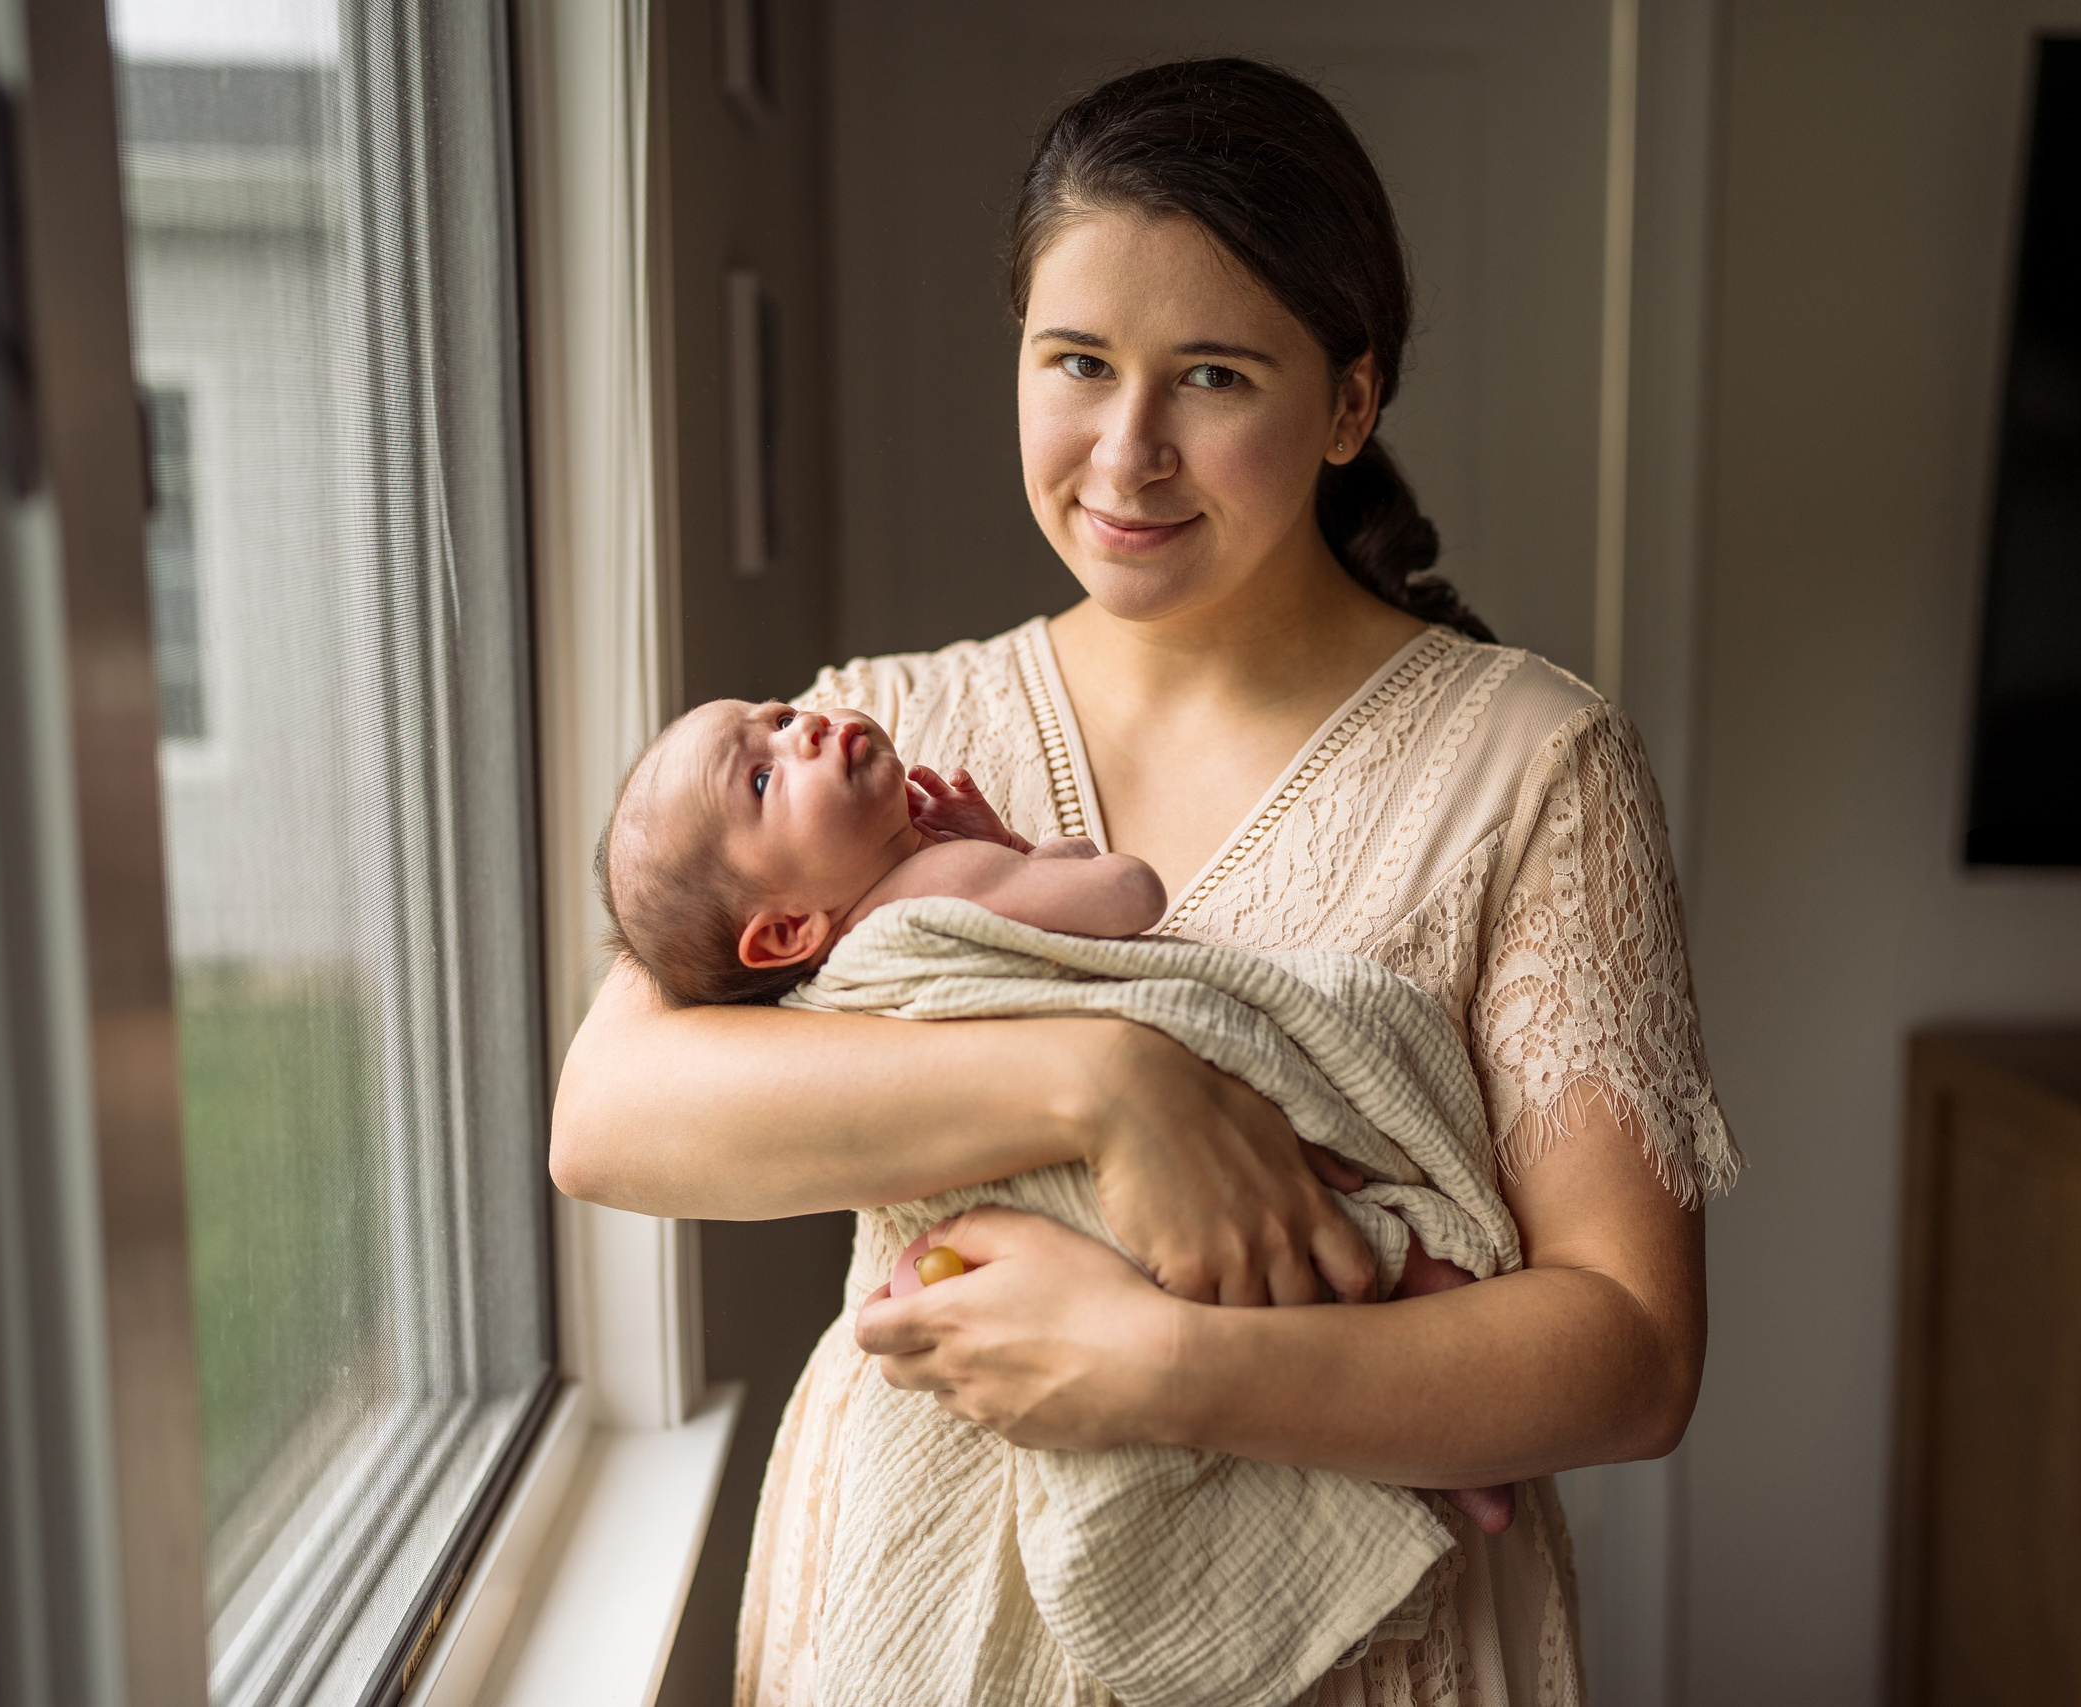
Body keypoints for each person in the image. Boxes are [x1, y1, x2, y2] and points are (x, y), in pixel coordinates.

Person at [552, 55, 1737, 1705]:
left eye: (1215, 378)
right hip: (912, 1622)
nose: (1127, 452)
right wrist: (1105, 1083)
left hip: (1362, 1655)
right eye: (1076, 362)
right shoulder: (876, 728)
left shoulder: (1533, 766)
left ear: (1348, 400)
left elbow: (1630, 1356)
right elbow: (607, 1115)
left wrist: (1175, 1364)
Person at [594, 700, 1163, 1005]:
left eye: (783, 718)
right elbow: (1132, 894)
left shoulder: (854, 981)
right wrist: (1036, 855)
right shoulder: (941, 890)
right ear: (787, 932)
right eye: (763, 780)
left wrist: (1006, 855)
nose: (808, 729)